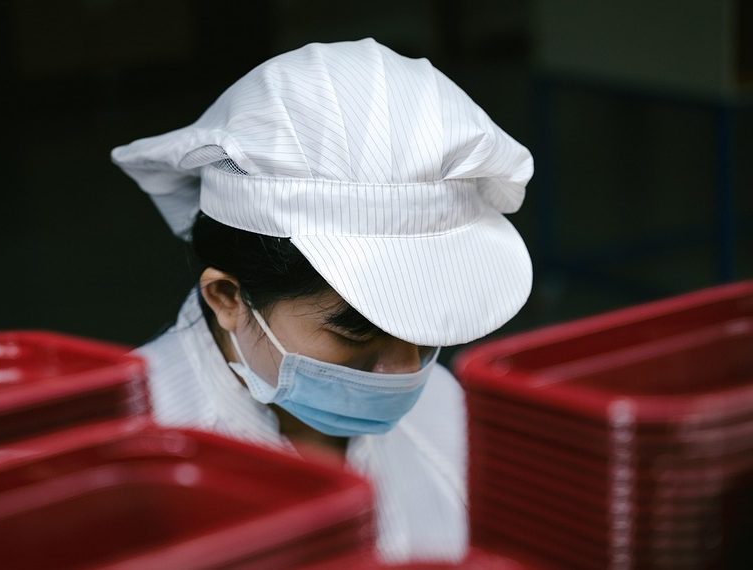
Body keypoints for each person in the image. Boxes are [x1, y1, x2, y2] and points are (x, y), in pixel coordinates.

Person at [111, 38, 532, 563]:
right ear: (228, 298)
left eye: (423, 327)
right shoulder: (123, 462)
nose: (406, 370)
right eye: (356, 329)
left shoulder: (444, 411)